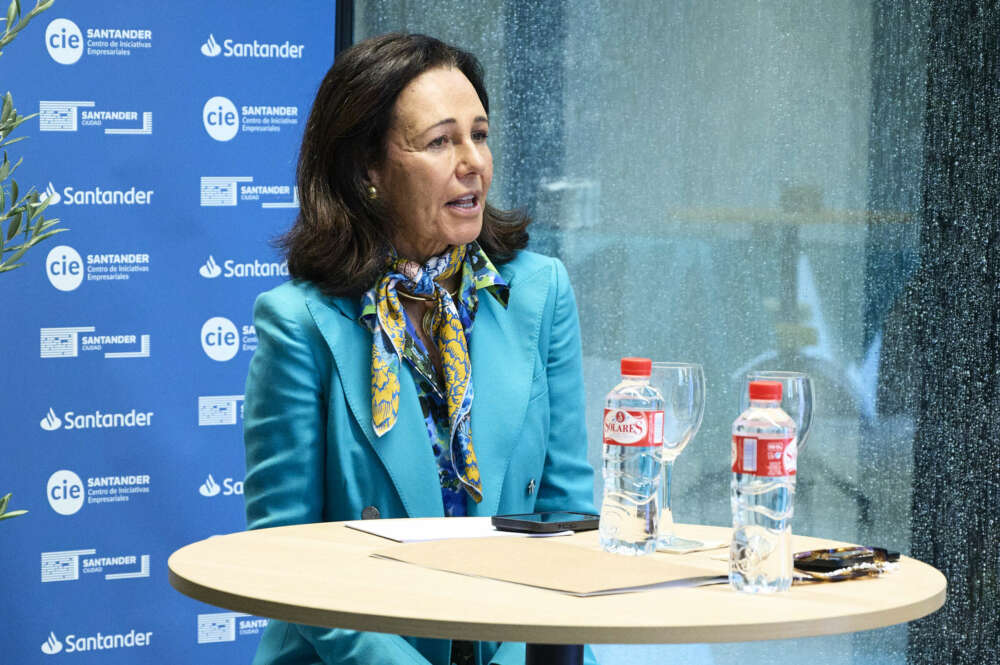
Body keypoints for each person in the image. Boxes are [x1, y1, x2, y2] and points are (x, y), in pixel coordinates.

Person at [243, 32, 597, 665]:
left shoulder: (540, 293)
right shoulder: (298, 322)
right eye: (440, 141)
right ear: (368, 172)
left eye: (479, 135)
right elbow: (284, 558)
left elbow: (564, 519)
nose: (473, 164)